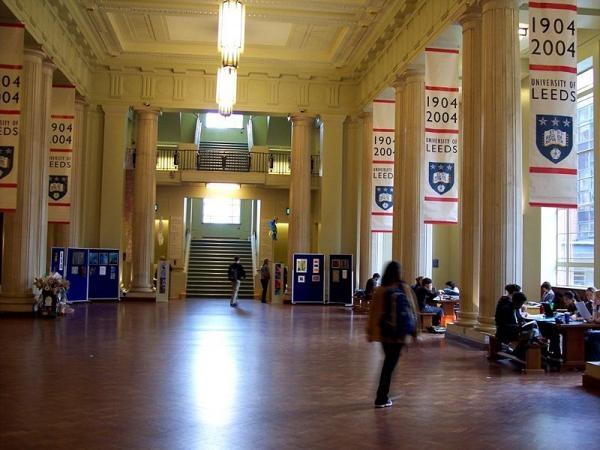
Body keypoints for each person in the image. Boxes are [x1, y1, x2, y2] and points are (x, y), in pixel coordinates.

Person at [366, 261, 418, 408]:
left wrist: (370, 332)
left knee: (389, 362)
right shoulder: (404, 288)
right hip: (400, 334)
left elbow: (373, 313)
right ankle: (381, 396)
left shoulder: (380, 290)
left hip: (385, 333)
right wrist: (415, 331)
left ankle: (384, 393)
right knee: (390, 364)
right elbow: (413, 310)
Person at [495, 291, 533, 360]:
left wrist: (523, 322)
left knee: (530, 332)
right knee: (528, 335)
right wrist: (517, 326)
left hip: (514, 330)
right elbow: (502, 325)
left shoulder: (517, 308)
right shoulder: (506, 309)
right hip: (504, 332)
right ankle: (520, 353)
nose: (521, 305)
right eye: (521, 303)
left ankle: (522, 353)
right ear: (515, 301)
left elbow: (520, 318)